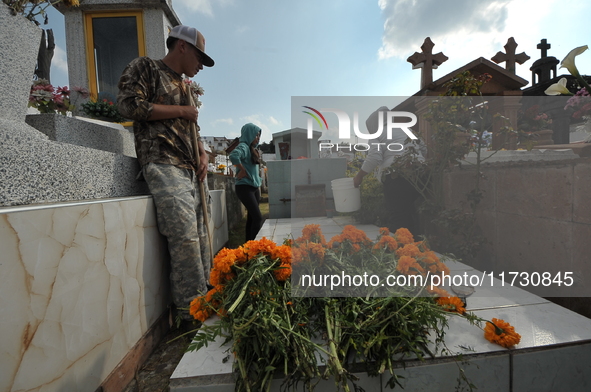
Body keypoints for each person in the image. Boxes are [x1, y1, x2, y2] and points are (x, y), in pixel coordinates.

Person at [117, 25, 215, 322]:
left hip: (190, 167)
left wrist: (203, 152)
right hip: (162, 161)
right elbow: (127, 105)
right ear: (182, 47)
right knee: (184, 237)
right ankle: (190, 315)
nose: (200, 65)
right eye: (199, 57)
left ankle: (209, 301)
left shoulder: (185, 87)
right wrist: (182, 112)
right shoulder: (146, 67)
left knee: (201, 237)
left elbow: (192, 127)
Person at [353, 106, 423, 235]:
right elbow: (423, 148)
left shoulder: (377, 133)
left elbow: (374, 157)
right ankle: (417, 247)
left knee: (398, 217)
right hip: (421, 175)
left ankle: (403, 249)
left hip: (398, 177)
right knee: (410, 213)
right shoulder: (405, 130)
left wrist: (359, 176)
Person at [229, 123, 263, 242]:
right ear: (249, 134)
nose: (258, 138)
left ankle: (249, 245)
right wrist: (242, 170)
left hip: (253, 187)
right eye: (256, 135)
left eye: (259, 135)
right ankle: (254, 246)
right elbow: (233, 155)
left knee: (252, 218)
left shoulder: (252, 148)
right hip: (244, 187)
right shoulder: (243, 146)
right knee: (258, 218)